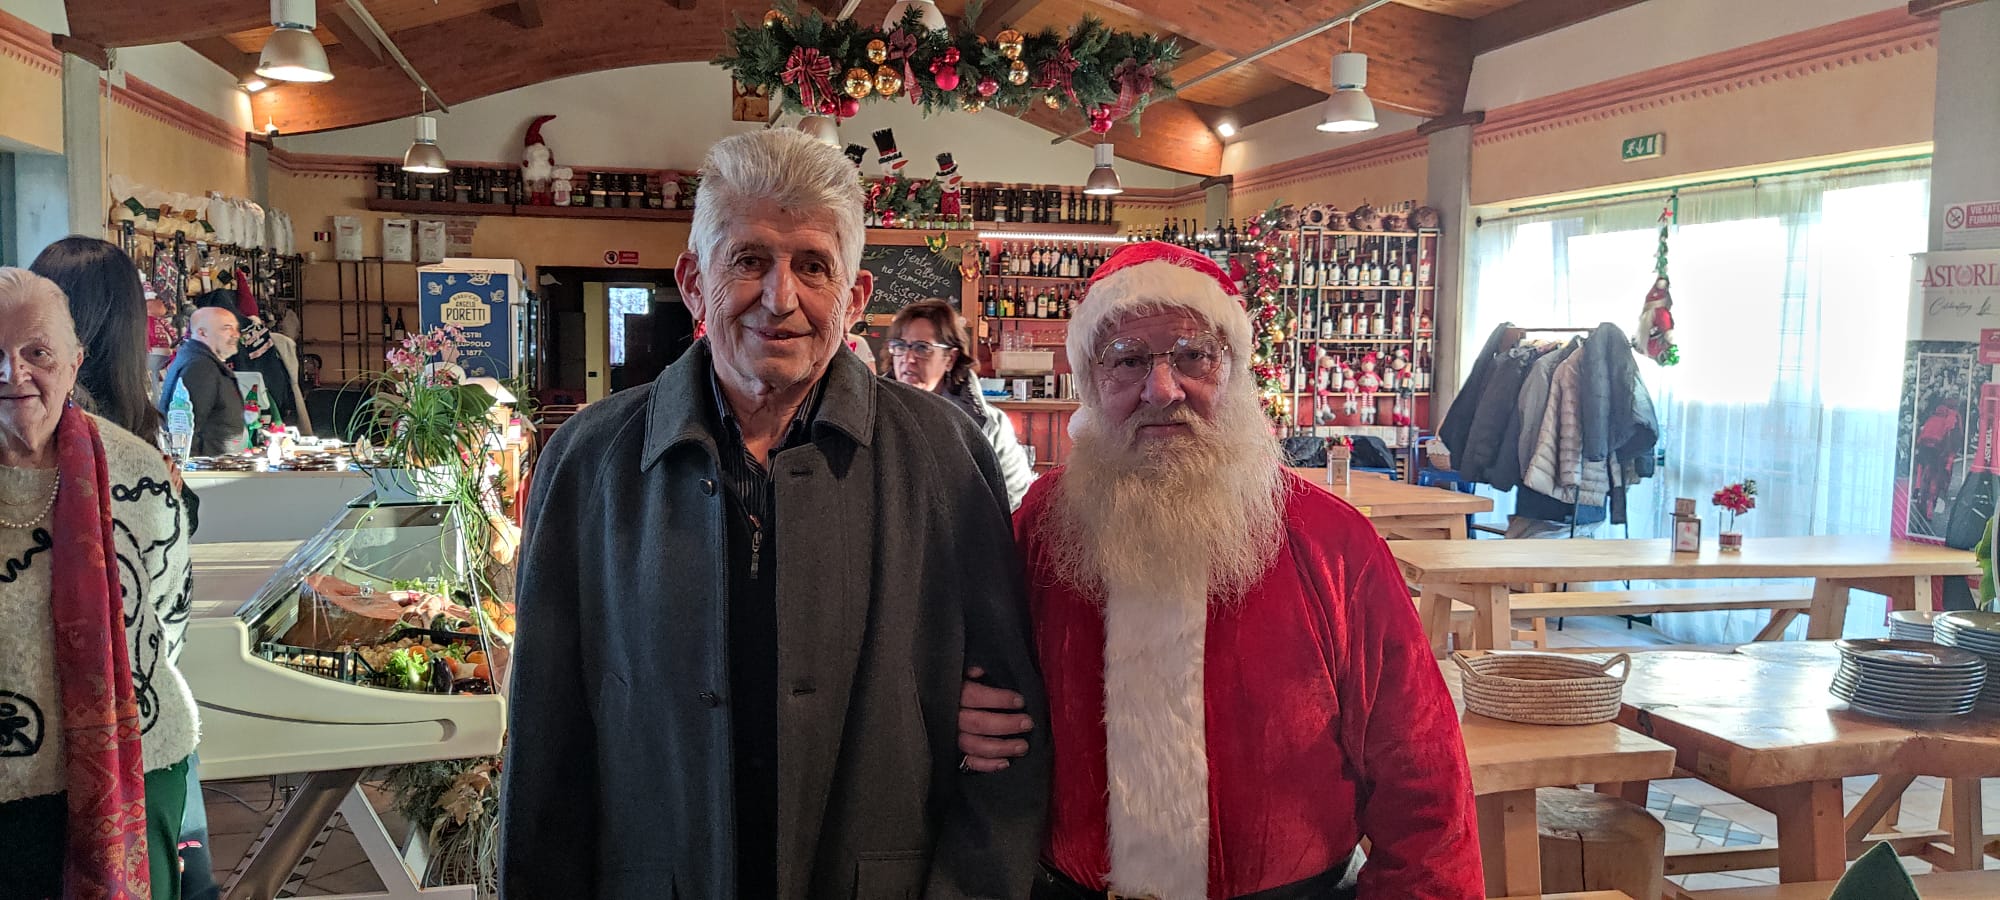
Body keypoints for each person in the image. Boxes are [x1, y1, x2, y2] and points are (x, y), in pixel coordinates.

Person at [500, 128, 1047, 899]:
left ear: (855, 299)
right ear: (694, 282)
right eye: (749, 259)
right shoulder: (589, 461)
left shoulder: (945, 455)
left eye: (813, 266)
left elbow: (1007, 736)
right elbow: (546, 742)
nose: (779, 297)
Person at [957, 242, 1483, 899]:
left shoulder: (1331, 543)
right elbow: (962, 677)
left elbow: (1423, 774)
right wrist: (956, 708)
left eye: (1191, 355)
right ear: (1092, 381)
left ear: (1232, 371)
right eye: (1129, 360)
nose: (1162, 388)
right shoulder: (1037, 531)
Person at [0, 268, 200, 899]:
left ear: (75, 360)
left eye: (37, 352)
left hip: (133, 772)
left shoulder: (136, 470)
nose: (14, 373)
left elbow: (168, 616)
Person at [885, 299, 1035, 509]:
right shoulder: (872, 415)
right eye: (900, 346)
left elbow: (1014, 504)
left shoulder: (989, 425)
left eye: (922, 348)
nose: (908, 358)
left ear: (950, 359)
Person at [158, 306, 245, 456]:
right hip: (208, 472)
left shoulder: (200, 361)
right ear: (202, 333)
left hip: (215, 469)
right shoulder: (200, 367)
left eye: (236, 328)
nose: (236, 334)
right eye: (227, 328)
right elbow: (186, 430)